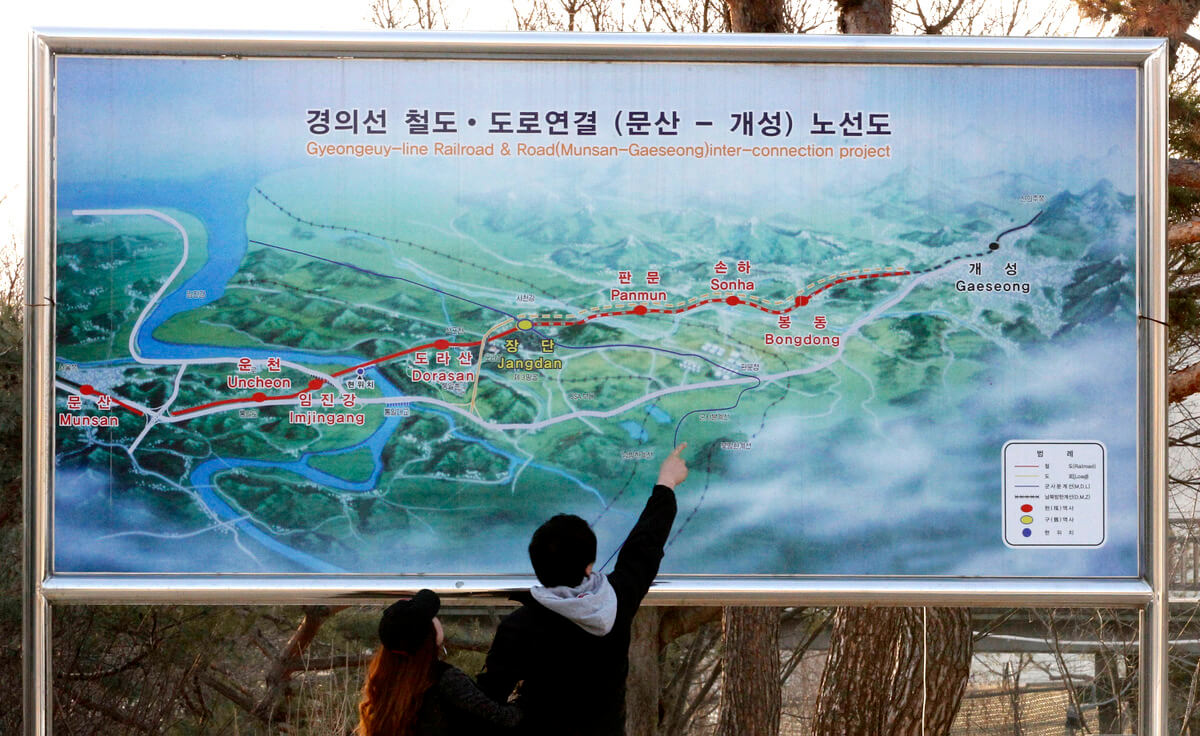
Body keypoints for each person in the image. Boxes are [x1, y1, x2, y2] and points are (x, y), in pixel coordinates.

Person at [477, 443, 689, 736]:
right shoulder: (616, 602)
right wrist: (666, 482)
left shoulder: (520, 627)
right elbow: (644, 546)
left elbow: (487, 701)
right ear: (589, 567)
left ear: (537, 566)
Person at [357, 589, 522, 736]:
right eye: (432, 617)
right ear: (429, 636)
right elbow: (503, 718)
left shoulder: (383, 682)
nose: (437, 619)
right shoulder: (444, 678)